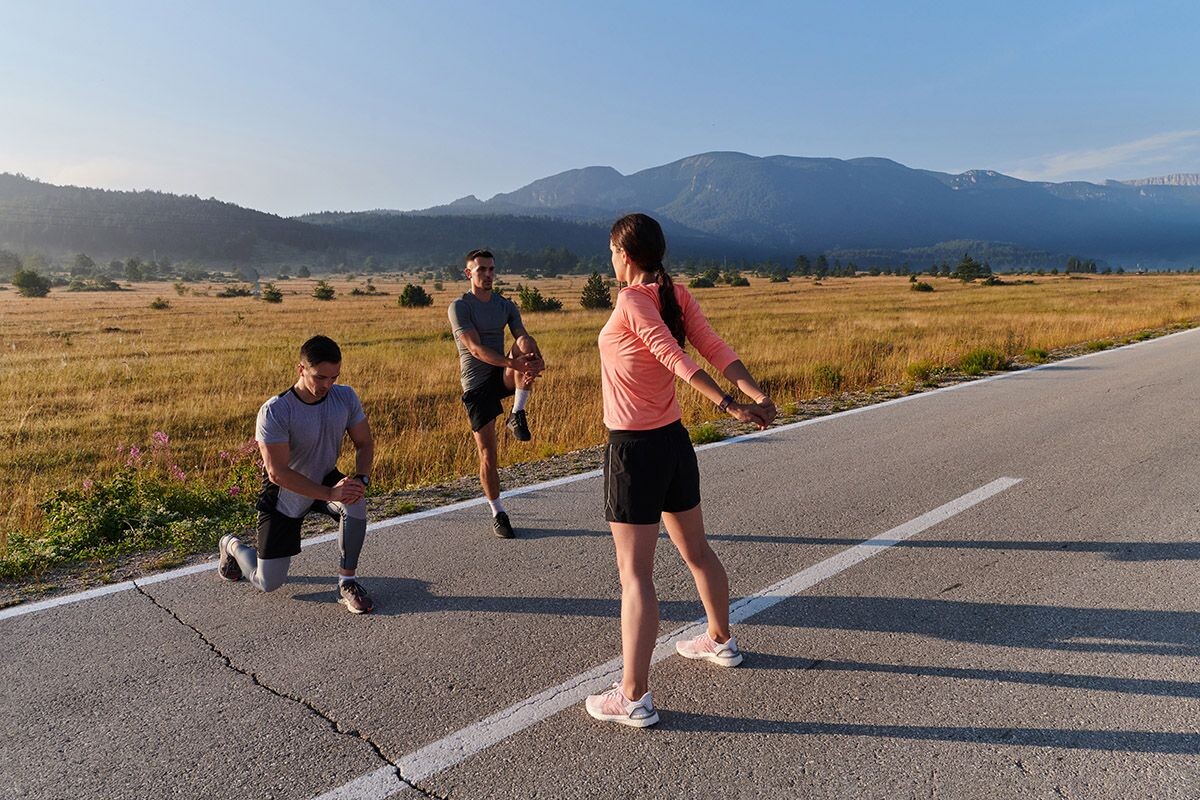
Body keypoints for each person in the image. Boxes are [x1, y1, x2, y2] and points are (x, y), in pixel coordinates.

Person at [585, 213, 777, 727]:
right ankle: (720, 641)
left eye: (611, 251)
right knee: (696, 551)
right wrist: (754, 392)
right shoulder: (675, 293)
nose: (610, 260)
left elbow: (672, 355)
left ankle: (633, 696)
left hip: (634, 450)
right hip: (673, 444)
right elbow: (713, 348)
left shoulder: (632, 300)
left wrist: (731, 404)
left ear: (624, 254)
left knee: (635, 577)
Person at [216, 335, 376, 614]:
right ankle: (231, 545)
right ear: (301, 369)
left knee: (355, 500)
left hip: (325, 476)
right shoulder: (276, 411)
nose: (327, 385)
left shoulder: (345, 397)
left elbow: (365, 443)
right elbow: (277, 473)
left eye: (334, 377)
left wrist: (360, 479)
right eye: (320, 377)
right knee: (268, 582)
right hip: (285, 493)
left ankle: (347, 583)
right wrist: (329, 493)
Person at [448, 248, 545, 539]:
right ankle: (497, 511)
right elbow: (475, 349)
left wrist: (534, 360)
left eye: (491, 269)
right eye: (481, 270)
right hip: (477, 385)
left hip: (502, 375)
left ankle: (517, 413)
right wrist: (513, 363)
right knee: (488, 454)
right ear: (469, 274)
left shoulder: (505, 305)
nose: (488, 275)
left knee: (527, 342)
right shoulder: (460, 307)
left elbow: (522, 338)